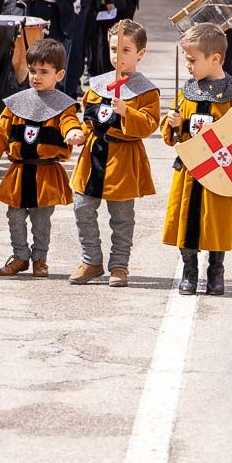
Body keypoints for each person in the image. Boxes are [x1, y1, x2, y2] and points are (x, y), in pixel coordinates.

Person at [0, 39, 85, 277]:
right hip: (19, 172)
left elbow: (69, 123)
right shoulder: (16, 103)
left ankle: (40, 259)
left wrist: (74, 132)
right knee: (14, 216)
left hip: (46, 174)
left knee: (41, 220)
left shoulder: (65, 106)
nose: (36, 76)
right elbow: (0, 136)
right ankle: (20, 256)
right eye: (32, 70)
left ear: (60, 74)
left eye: (44, 72)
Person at [162, 23, 232, 296]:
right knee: (186, 221)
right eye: (186, 60)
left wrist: (217, 134)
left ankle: (216, 272)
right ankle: (189, 271)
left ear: (215, 59)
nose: (188, 66)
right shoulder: (186, 92)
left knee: (216, 222)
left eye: (192, 60)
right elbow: (172, 136)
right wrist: (174, 123)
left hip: (220, 173)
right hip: (189, 171)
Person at [69, 20, 160, 288]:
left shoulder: (147, 90)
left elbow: (148, 124)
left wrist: (126, 111)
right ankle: (91, 261)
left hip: (123, 159)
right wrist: (79, 132)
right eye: (113, 49)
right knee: (82, 208)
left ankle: (119, 265)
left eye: (125, 50)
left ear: (140, 54)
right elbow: (87, 118)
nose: (117, 56)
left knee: (121, 217)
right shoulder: (97, 85)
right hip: (93, 155)